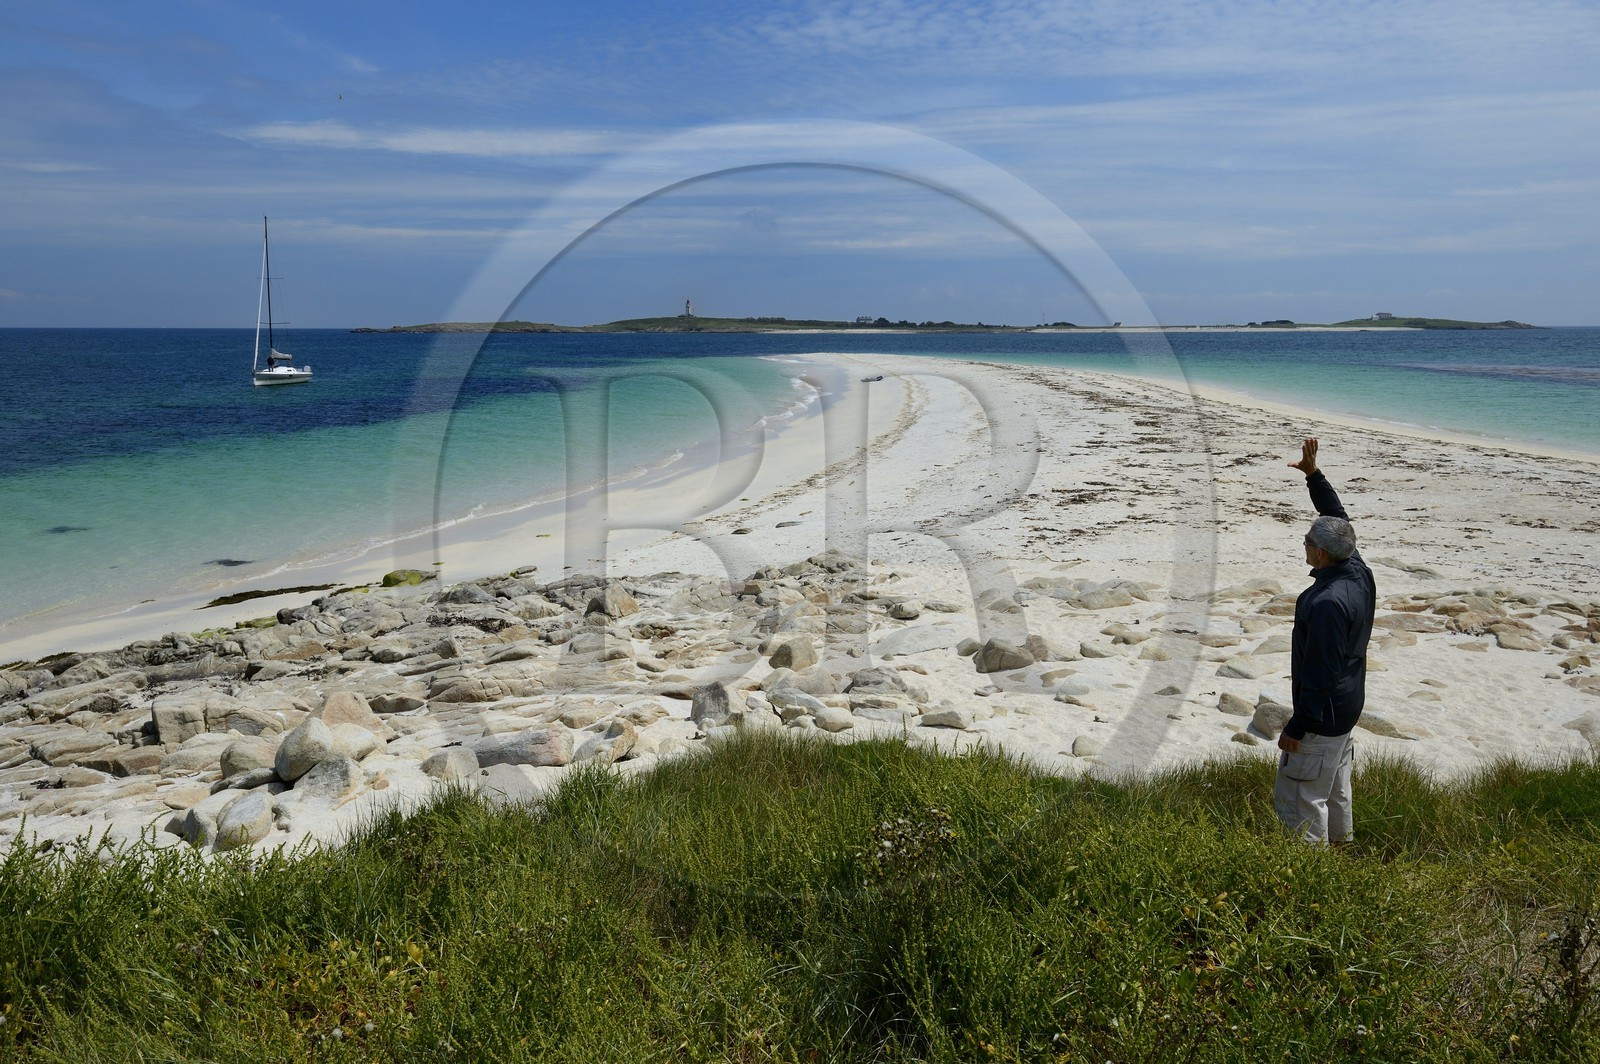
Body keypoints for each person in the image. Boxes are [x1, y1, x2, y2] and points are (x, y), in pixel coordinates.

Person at [1275, 438, 1376, 845]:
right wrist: (1313, 475)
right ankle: (1343, 853)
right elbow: (1336, 516)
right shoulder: (1356, 568)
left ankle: (1309, 876)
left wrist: (1297, 728)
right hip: (1346, 709)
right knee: (1334, 790)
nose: (1304, 545)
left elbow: (1321, 672)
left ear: (1319, 555)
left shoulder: (1328, 603)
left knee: (1301, 798)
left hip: (1322, 716)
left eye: (1306, 543)